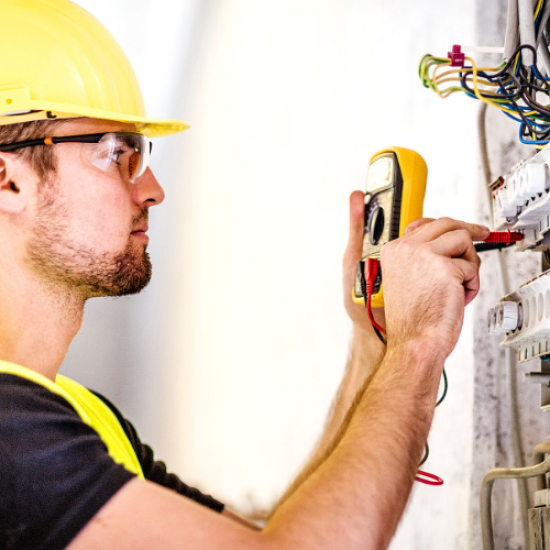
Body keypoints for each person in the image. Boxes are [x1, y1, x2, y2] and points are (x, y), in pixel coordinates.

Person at [0, 1, 489, 549]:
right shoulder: (10, 436)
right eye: (118, 153)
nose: (153, 189)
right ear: (7, 180)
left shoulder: (77, 417)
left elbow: (282, 537)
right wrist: (418, 344)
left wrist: (373, 337)